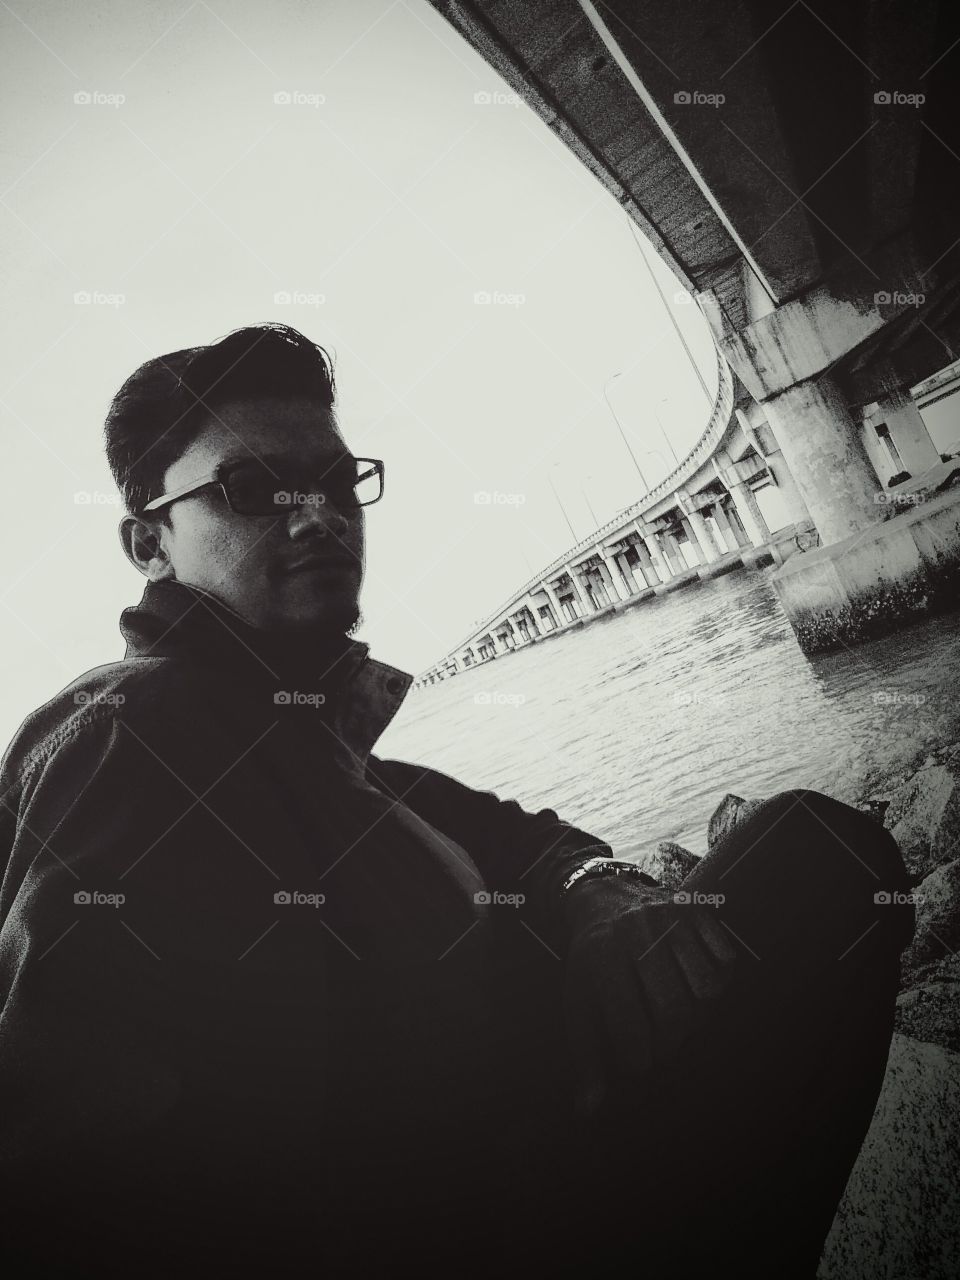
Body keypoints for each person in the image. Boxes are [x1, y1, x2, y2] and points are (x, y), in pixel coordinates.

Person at [0, 323, 915, 1278]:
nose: (319, 516)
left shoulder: (305, 739)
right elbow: (75, 1169)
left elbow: (525, 833)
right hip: (496, 1223)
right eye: (255, 489)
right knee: (819, 854)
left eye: (338, 480)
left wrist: (597, 890)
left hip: (528, 1156)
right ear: (150, 542)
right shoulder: (141, 736)